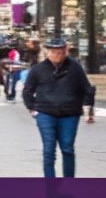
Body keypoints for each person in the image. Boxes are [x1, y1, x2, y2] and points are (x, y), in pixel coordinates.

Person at [22, 37, 95, 178]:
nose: (56, 55)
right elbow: (28, 90)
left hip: (70, 113)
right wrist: (31, 107)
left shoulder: (75, 67)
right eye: (53, 52)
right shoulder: (38, 69)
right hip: (45, 112)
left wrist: (87, 108)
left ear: (65, 51)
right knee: (49, 149)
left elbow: (87, 88)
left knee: (67, 148)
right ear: (47, 52)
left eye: (59, 52)